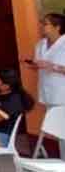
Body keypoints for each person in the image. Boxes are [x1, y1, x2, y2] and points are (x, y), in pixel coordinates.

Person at [31, 12, 65, 156]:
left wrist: (54, 67)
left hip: (62, 92)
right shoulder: (40, 44)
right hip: (47, 93)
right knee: (58, 130)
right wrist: (35, 65)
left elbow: (54, 66)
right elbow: (38, 63)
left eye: (45, 24)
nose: (42, 26)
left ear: (57, 27)